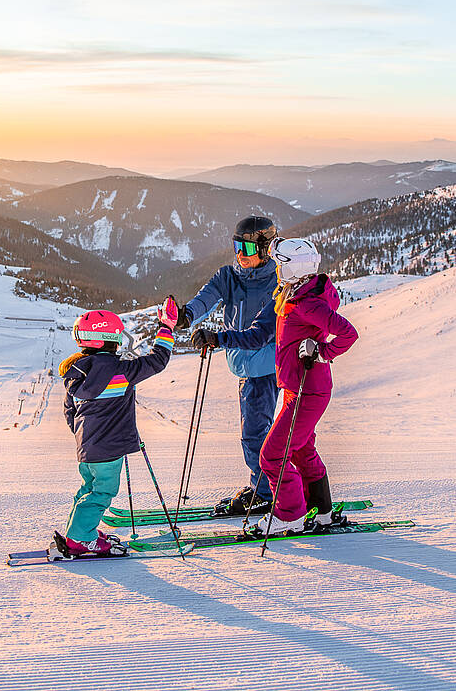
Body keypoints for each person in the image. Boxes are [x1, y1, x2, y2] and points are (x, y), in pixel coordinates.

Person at [193, 237, 358, 534]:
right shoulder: (289, 296)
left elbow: (348, 333)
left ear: (294, 268)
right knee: (301, 450)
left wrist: (321, 352)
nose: (276, 269)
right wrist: (219, 338)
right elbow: (258, 335)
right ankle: (320, 511)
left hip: (308, 390)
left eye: (281, 265)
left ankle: (289, 515)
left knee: (272, 455)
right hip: (297, 388)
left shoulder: (306, 304)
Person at [173, 216, 279, 515]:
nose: (240, 254)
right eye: (236, 246)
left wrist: (218, 338)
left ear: (265, 249)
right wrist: (186, 316)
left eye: (246, 248)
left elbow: (262, 334)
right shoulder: (228, 276)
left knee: (255, 432)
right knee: (258, 430)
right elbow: (205, 299)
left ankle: (265, 491)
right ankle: (266, 484)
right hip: (243, 365)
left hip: (265, 367)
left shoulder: (277, 282)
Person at [55, 299, 177, 557]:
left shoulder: (75, 373)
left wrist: (85, 438)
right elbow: (157, 361)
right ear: (109, 338)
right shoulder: (120, 371)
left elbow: (70, 414)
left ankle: (78, 530)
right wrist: (166, 327)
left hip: (87, 449)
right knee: (103, 492)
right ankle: (80, 538)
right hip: (108, 450)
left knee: (88, 489)